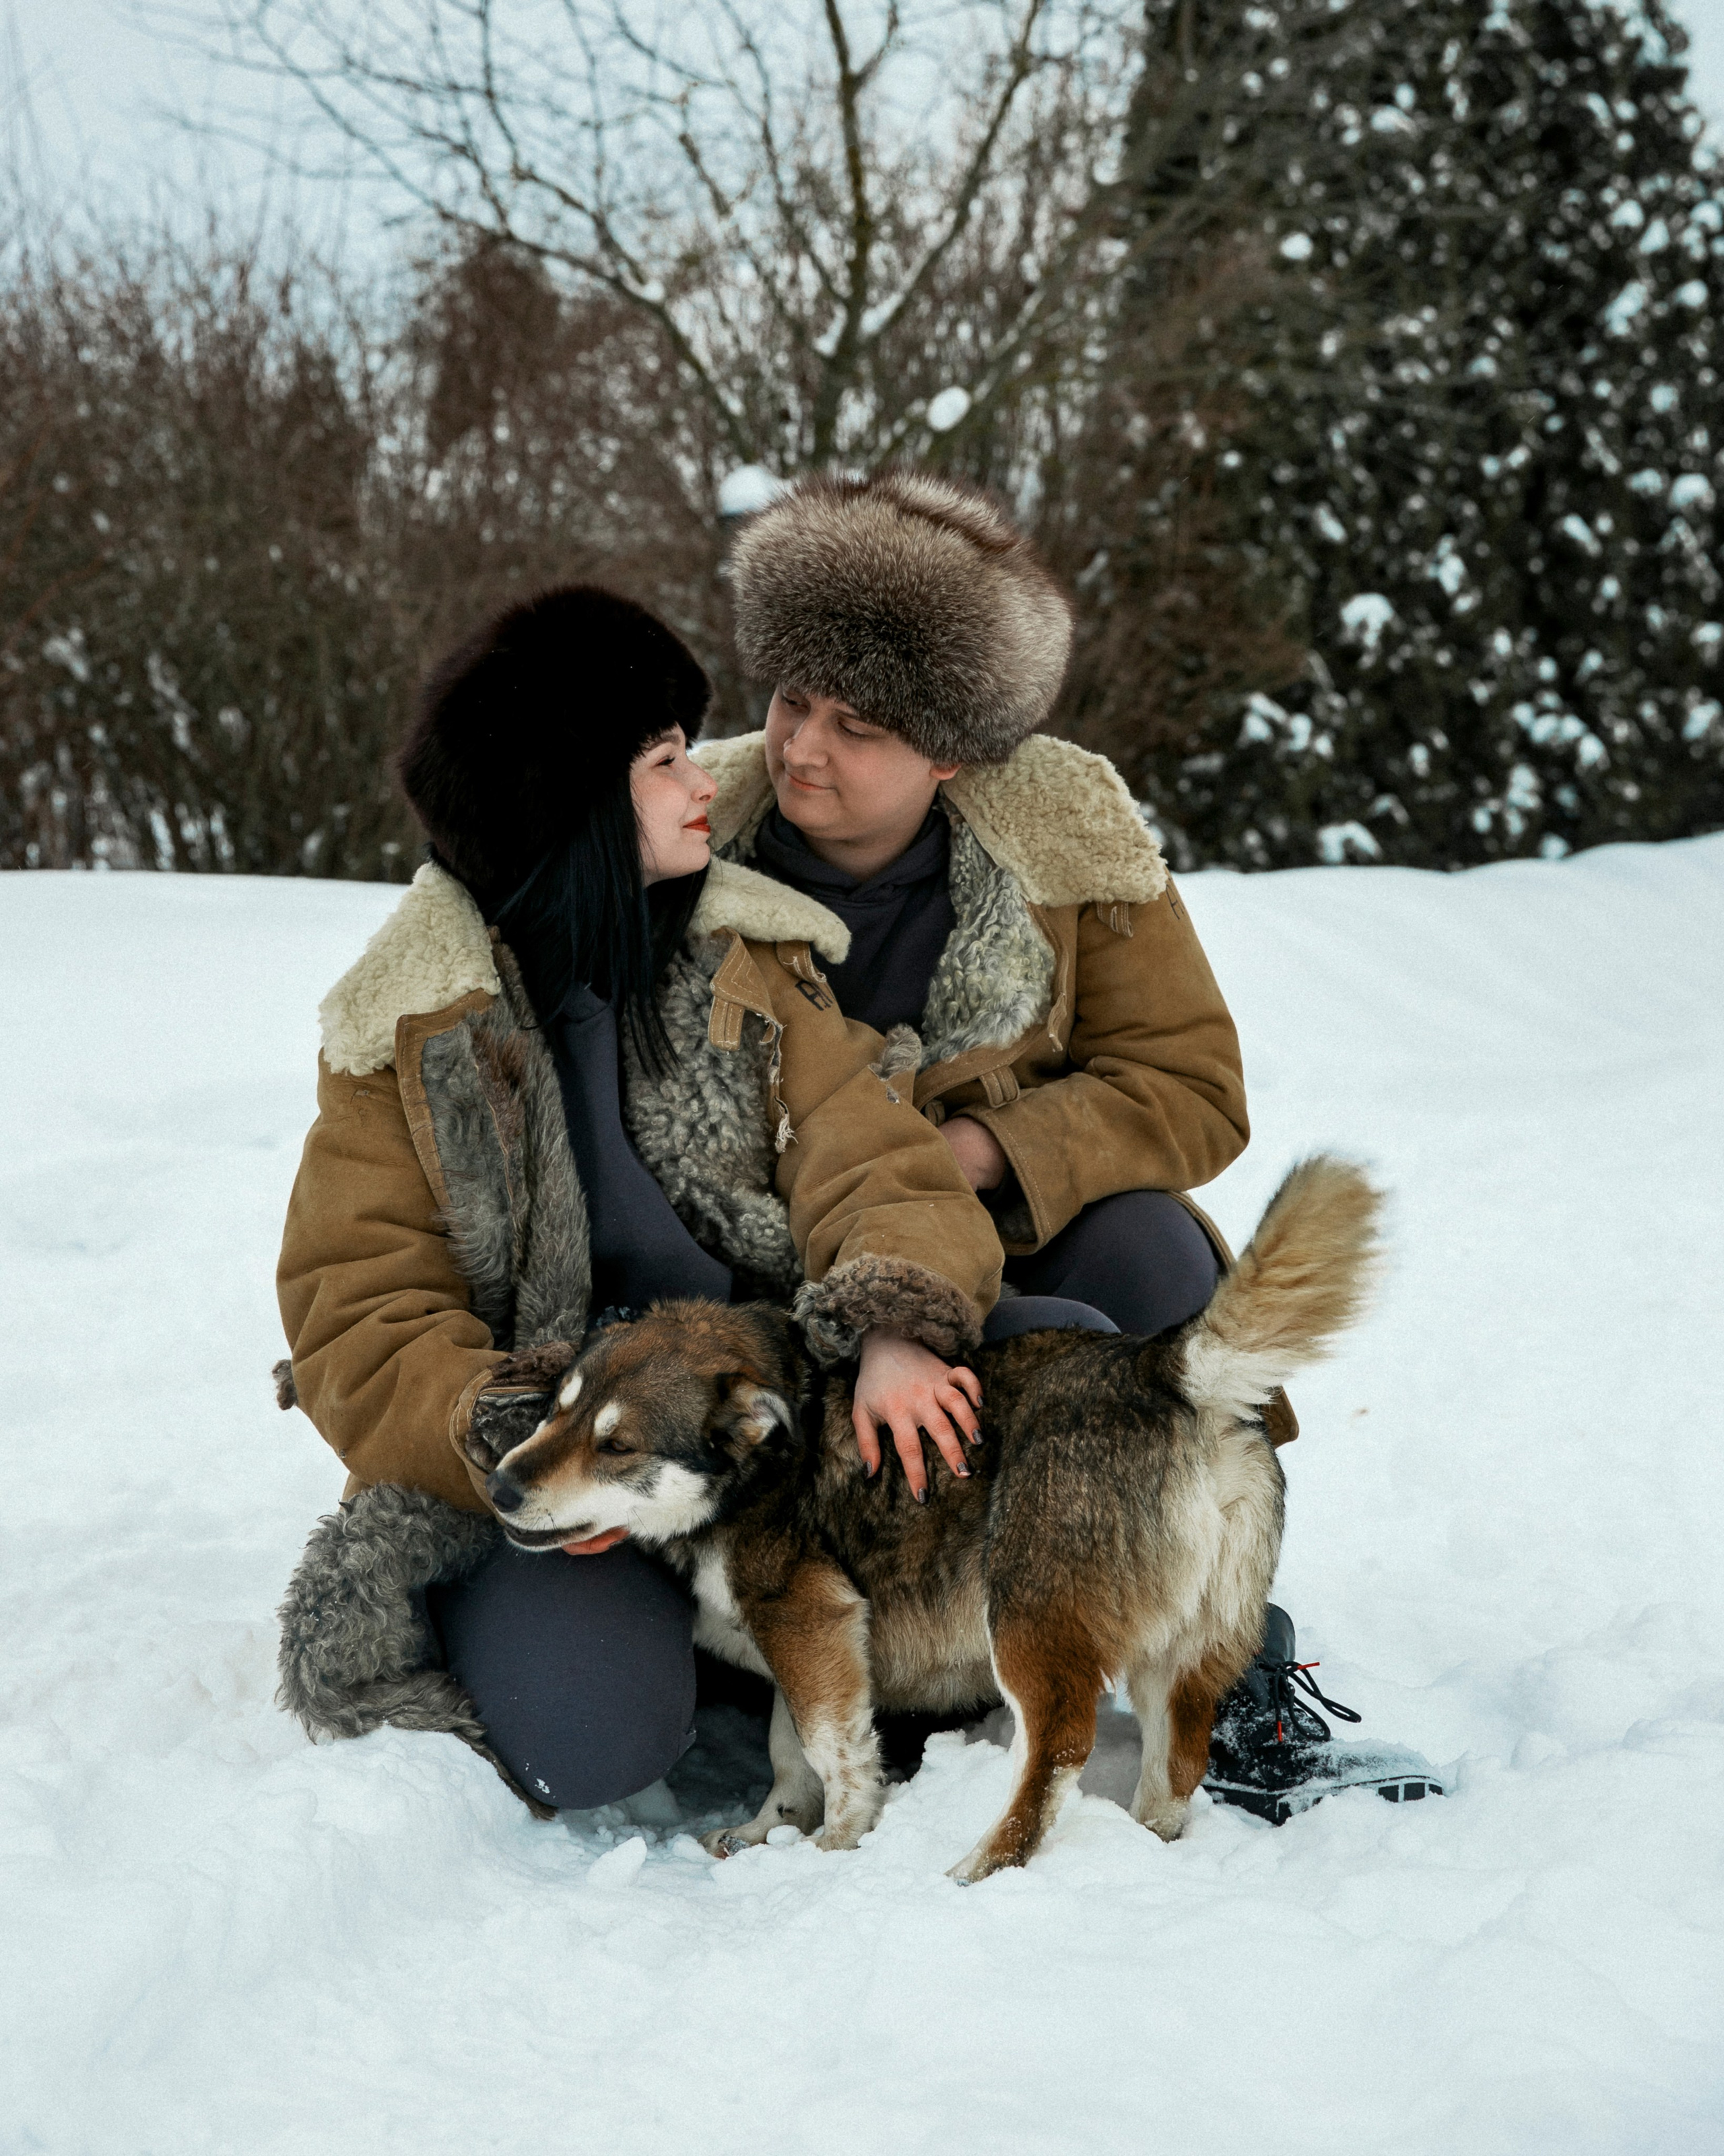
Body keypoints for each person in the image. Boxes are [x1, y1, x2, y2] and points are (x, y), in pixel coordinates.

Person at [696, 468, 1440, 1816]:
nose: (800, 746)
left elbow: (1191, 1083)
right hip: (788, 1263)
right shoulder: (694, 843)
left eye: (854, 723)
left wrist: (988, 1150)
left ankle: (1220, 1658)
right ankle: (860, 1654)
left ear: (952, 753)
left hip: (1014, 1228)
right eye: (789, 699)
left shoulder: (1066, 838)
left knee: (1153, 1253)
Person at [273, 585, 1021, 1815]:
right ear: (572, 800)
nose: (707, 785)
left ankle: (1144, 1655)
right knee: (594, 1739)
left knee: (1072, 1359)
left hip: (752, 1426)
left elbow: (874, 1155)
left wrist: (895, 1319)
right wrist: (537, 1442)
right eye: (666, 759)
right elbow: (356, 1316)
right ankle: (695, 1649)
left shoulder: (746, 959)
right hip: (553, 1455)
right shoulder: (409, 1029)